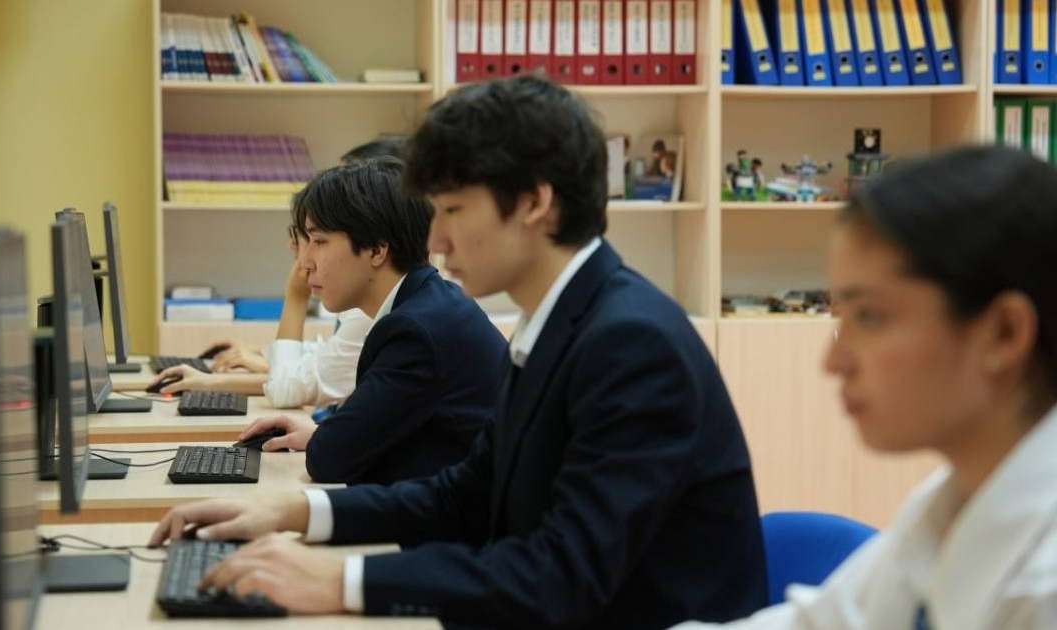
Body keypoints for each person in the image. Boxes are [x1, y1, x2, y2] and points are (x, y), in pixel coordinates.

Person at [147, 75, 766, 628]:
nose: (436, 239)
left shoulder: (631, 344)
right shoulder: (559, 321)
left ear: (534, 203)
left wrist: (341, 580)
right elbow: (462, 494)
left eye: (452, 210)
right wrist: (293, 511)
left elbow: (561, 575)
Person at [674, 146, 1057, 629]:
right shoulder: (951, 500)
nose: (833, 361)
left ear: (1003, 333)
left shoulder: (1044, 587)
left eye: (870, 317)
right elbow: (823, 623)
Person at [155, 139, 405, 409]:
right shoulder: (380, 304)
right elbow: (328, 359)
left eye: (318, 239)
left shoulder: (385, 313)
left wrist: (296, 296)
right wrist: (258, 357)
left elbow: (290, 388)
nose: (301, 253)